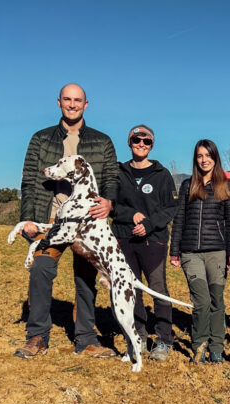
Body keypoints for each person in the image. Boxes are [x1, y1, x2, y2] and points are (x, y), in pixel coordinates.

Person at [13, 83, 119, 359]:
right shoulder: (41, 139)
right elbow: (29, 180)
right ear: (59, 102)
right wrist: (28, 218)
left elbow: (111, 179)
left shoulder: (102, 141)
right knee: (41, 270)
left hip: (86, 223)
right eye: (67, 99)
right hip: (51, 217)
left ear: (86, 104)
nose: (72, 104)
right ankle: (37, 336)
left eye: (78, 100)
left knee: (85, 279)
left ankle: (86, 339)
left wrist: (110, 203)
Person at [111, 125, 178, 361]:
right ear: (129, 142)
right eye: (136, 140)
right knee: (132, 291)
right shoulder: (118, 173)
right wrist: (130, 215)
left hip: (154, 242)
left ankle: (163, 340)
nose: (141, 144)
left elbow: (171, 208)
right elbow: (110, 204)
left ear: (152, 145)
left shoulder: (162, 174)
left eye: (146, 141)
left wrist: (149, 224)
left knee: (158, 290)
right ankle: (138, 337)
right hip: (124, 240)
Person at [170, 139, 230, 364]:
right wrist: (174, 251)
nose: (204, 160)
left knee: (217, 300)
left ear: (215, 158)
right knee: (201, 301)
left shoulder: (226, 186)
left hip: (217, 252)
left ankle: (216, 347)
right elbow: (179, 219)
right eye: (200, 156)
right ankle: (199, 345)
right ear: (195, 159)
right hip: (191, 253)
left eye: (208, 155)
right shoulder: (187, 185)